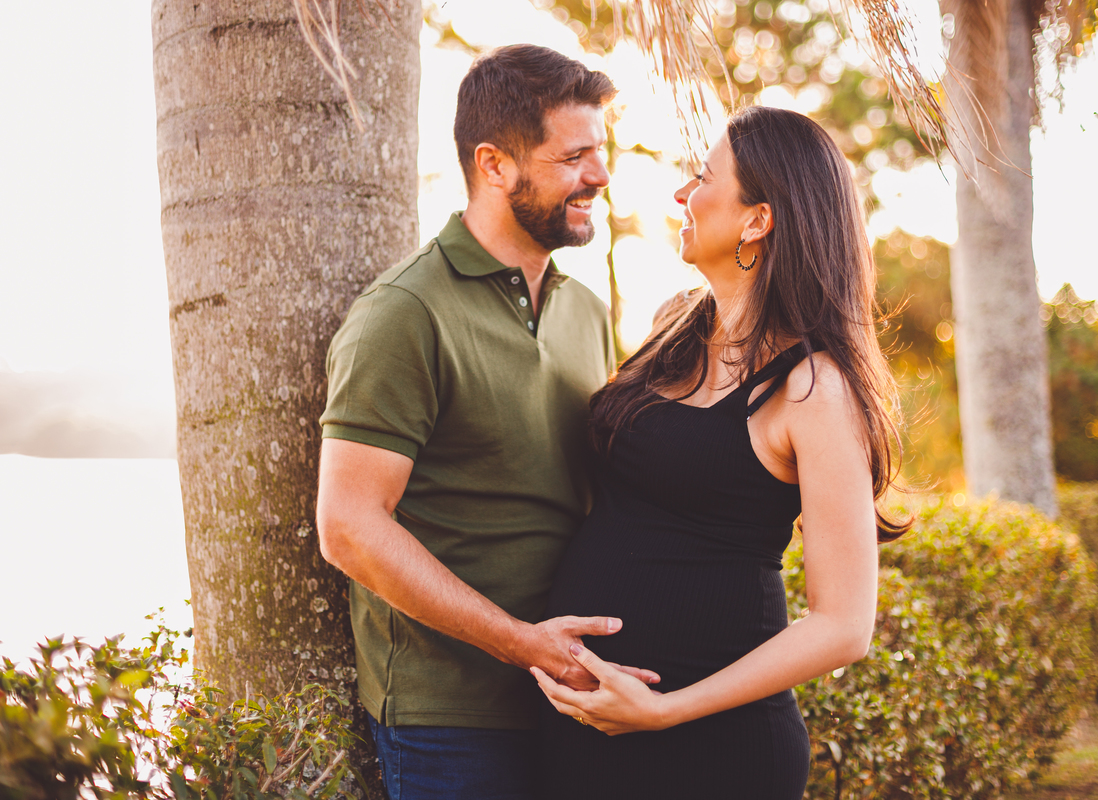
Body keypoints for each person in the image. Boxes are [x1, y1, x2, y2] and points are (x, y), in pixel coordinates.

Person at [532, 106, 911, 800]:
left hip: (713, 751)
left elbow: (843, 626)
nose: (683, 193)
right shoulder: (672, 323)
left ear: (757, 220)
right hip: (581, 729)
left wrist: (663, 712)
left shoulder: (813, 389)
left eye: (703, 178)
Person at [315, 45, 658, 800]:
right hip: (450, 721)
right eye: (573, 156)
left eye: (598, 153)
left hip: (580, 700)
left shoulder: (585, 311)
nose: (598, 176)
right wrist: (521, 645)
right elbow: (347, 527)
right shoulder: (404, 313)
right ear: (495, 165)